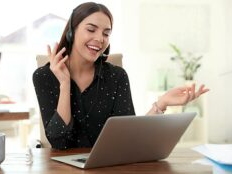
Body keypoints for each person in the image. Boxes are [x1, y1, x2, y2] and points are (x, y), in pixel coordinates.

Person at [33, 2, 209, 150]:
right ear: (72, 31)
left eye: (106, 33)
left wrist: (161, 103)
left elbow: (129, 135)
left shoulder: (117, 76)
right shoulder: (44, 76)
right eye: (91, 29)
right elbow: (59, 141)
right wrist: (64, 84)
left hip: (109, 166)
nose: (100, 38)